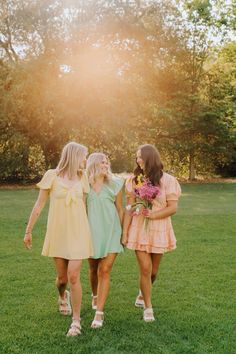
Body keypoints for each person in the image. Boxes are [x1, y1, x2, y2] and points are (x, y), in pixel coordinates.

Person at [23, 142, 93, 336]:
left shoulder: (83, 177)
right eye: (83, 156)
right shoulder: (51, 176)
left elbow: (86, 207)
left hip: (79, 233)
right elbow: (39, 206)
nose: (85, 161)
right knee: (62, 279)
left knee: (73, 276)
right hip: (58, 233)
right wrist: (28, 231)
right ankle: (63, 295)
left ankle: (76, 322)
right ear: (73, 156)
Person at [122, 144, 181, 322]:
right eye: (136, 157)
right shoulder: (134, 180)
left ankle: (142, 292)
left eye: (140, 156)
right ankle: (148, 308)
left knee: (153, 272)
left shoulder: (169, 180)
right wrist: (124, 232)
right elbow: (130, 209)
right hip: (139, 229)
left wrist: (152, 214)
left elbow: (173, 208)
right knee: (145, 269)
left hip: (160, 228)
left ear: (150, 158)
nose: (137, 160)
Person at [86, 153, 124, 328]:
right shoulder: (85, 185)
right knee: (93, 269)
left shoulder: (115, 184)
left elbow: (120, 210)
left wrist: (123, 233)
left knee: (105, 270)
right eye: (102, 162)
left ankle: (99, 313)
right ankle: (95, 295)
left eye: (107, 162)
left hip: (111, 231)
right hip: (91, 233)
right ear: (93, 164)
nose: (105, 164)